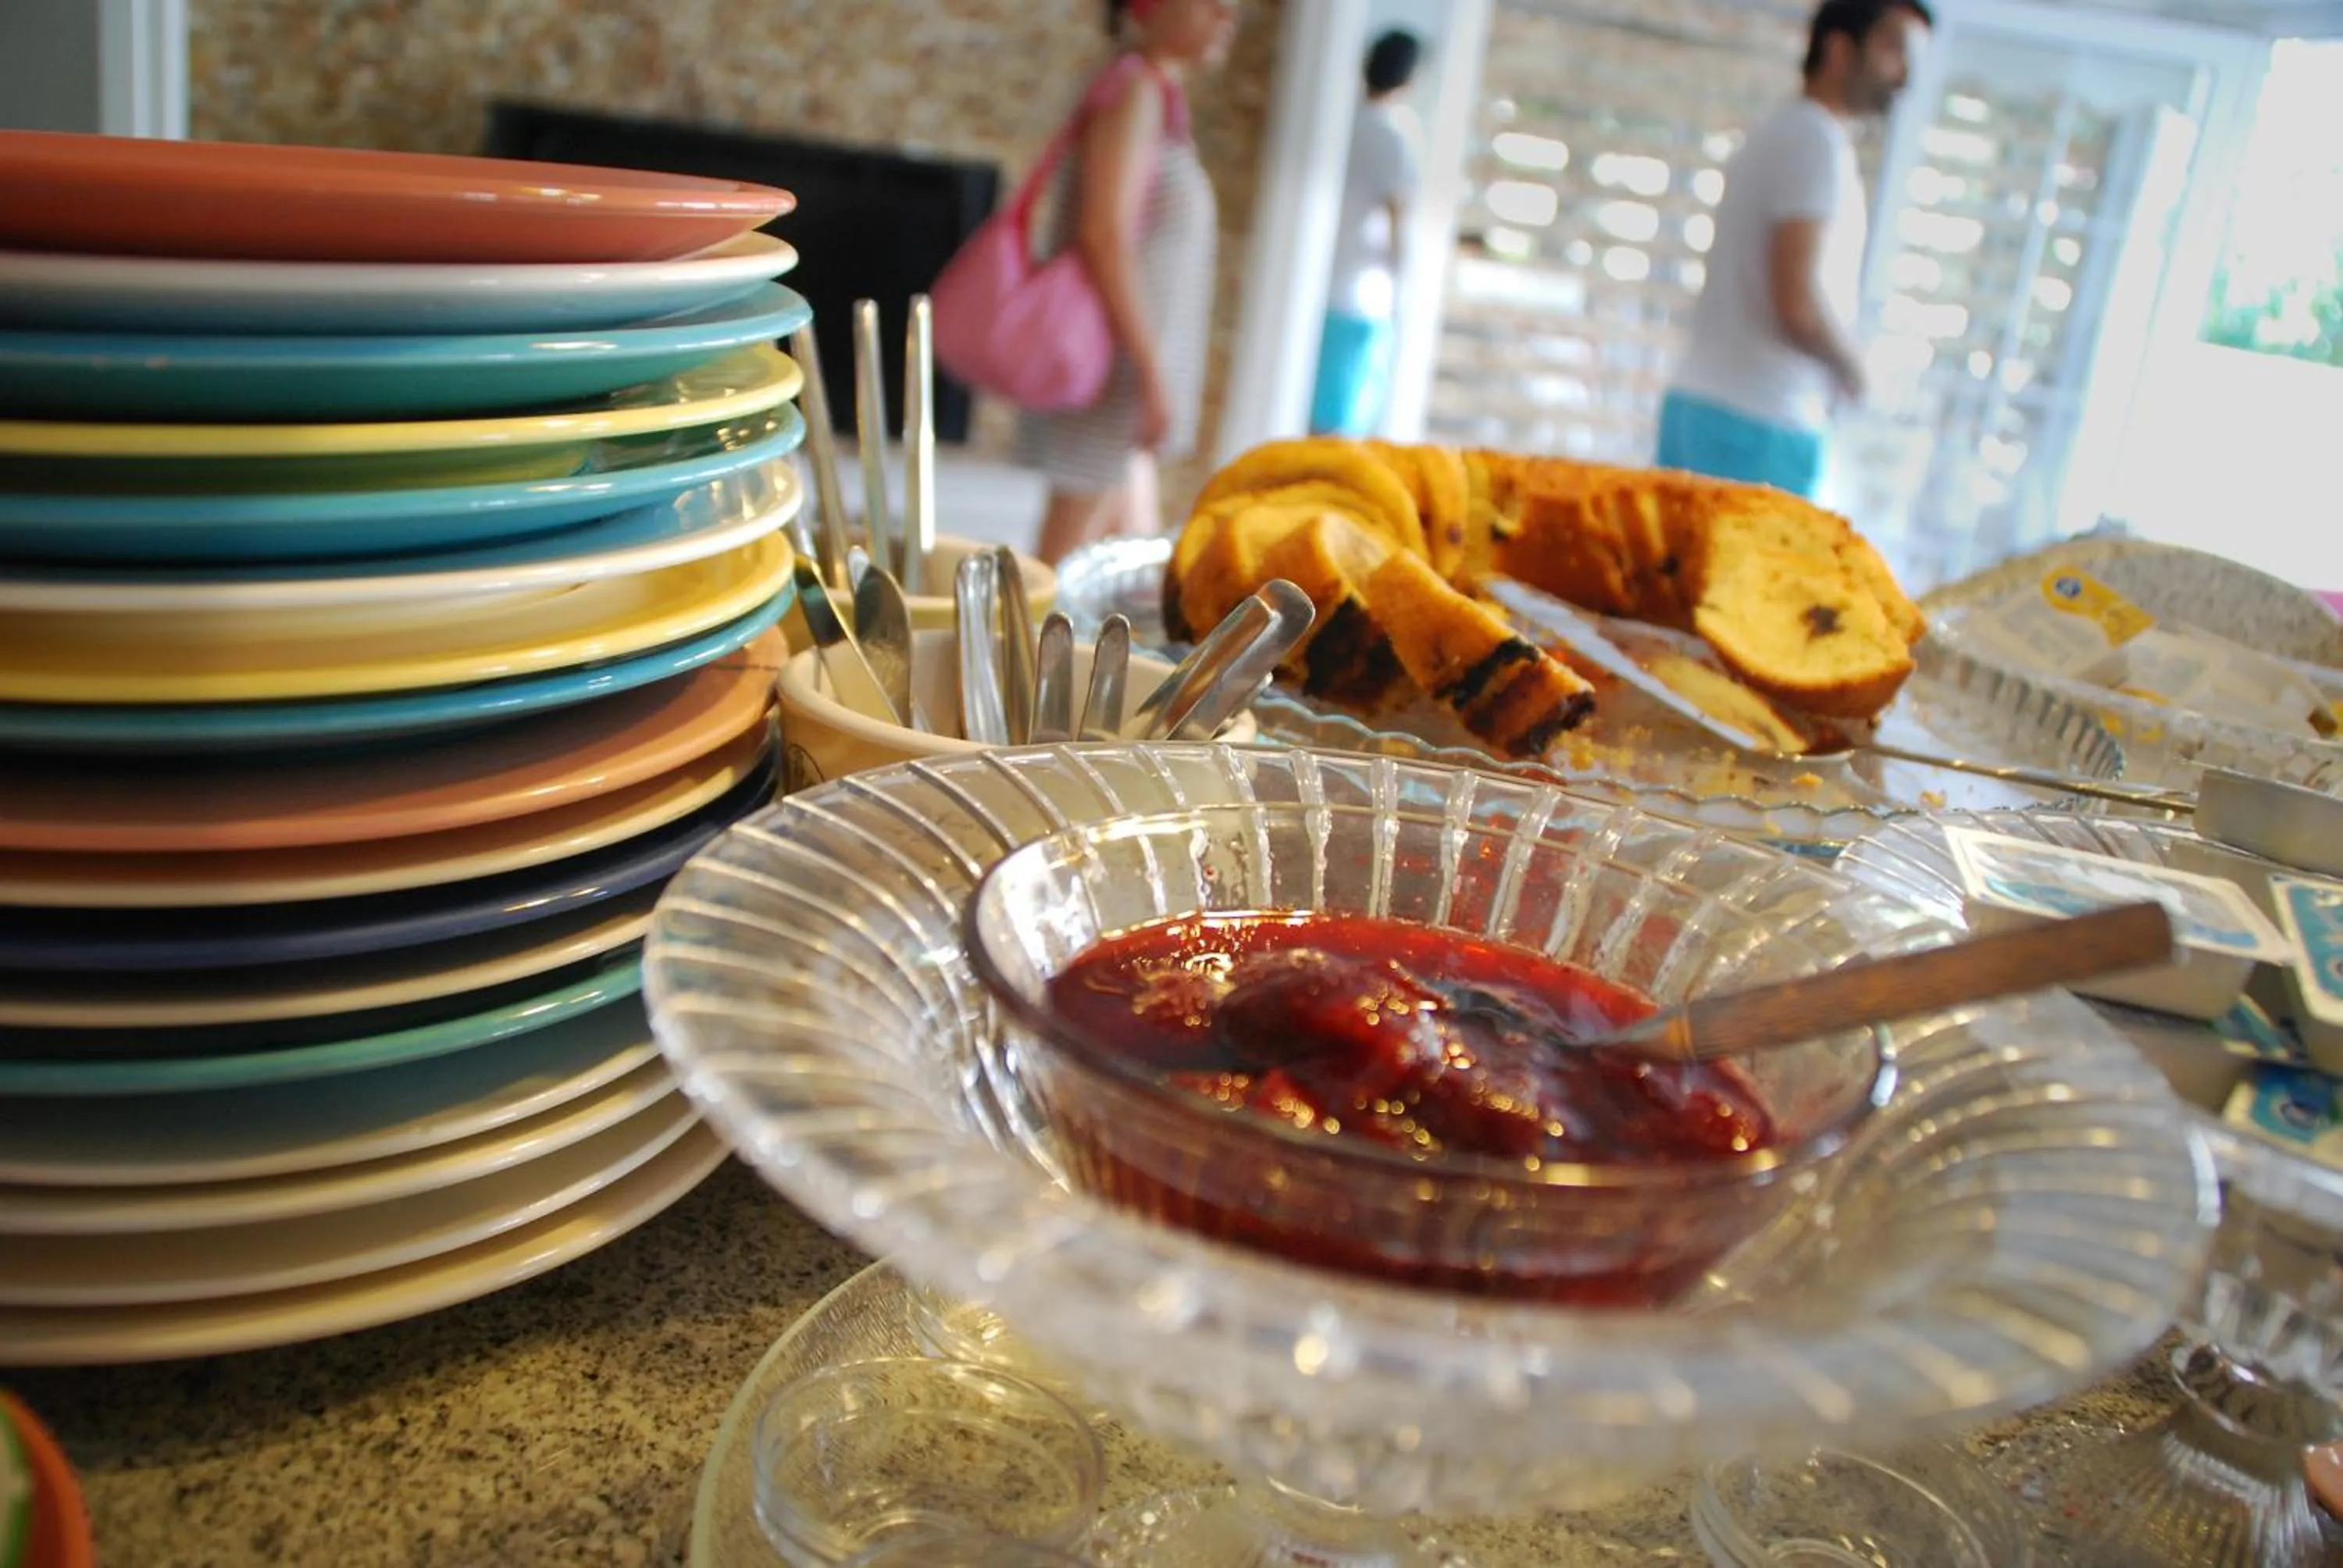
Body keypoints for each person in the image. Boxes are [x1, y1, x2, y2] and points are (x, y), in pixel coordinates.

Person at [1657, 0, 1931, 499]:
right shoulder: (1813, 141)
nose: (1905, 75)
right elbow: (1798, 304)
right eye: (1894, 50)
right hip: (1756, 424)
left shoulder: (1783, 130)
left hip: (1711, 407)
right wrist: (1856, 369)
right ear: (1840, 50)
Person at [1021, 0, 1239, 565]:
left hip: (1126, 377)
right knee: (1063, 569)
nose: (1227, 15)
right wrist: (1151, 371)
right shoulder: (1133, 91)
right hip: (1116, 370)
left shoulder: (1153, 94)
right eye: (1210, 2)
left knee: (1121, 565)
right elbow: (1103, 235)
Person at [1311, 28, 1425, 438]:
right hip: (1360, 297)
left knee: (1317, 413)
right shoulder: (1390, 141)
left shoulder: (1338, 126)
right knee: (1339, 423)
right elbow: (1397, 219)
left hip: (1326, 285)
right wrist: (1404, 282)